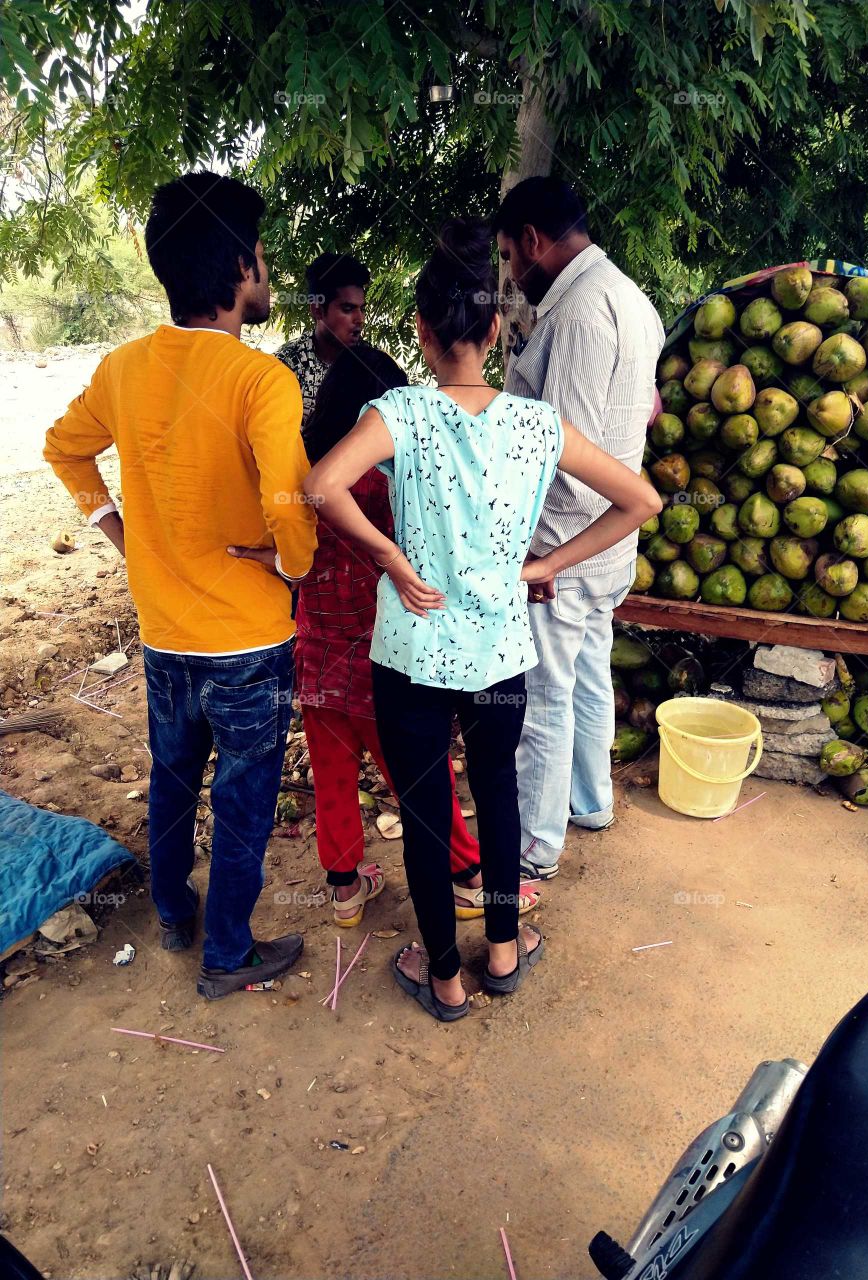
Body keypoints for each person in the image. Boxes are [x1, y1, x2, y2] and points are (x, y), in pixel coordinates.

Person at [304, 220, 661, 1022]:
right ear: (495, 328)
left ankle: (442, 978)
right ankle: (503, 950)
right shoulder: (537, 425)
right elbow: (641, 500)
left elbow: (324, 485)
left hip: (411, 652)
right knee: (496, 795)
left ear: (423, 333)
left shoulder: (398, 414)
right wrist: (544, 567)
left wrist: (392, 560)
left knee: (429, 810)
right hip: (501, 648)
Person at [43, 171, 317, 999]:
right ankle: (227, 954)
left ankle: (173, 911)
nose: (267, 273)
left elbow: (63, 450)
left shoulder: (123, 369)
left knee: (172, 778)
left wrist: (122, 538)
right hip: (248, 644)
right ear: (239, 268)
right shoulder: (261, 380)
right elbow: (288, 504)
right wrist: (292, 565)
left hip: (164, 632)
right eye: (262, 258)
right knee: (241, 803)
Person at [292, 345, 541, 925]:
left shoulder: (299, 471)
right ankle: (469, 875)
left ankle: (345, 888)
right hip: (383, 649)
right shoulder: (386, 478)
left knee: (331, 773)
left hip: (318, 647)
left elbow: (286, 545)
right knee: (422, 782)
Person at [493, 177, 665, 881]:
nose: (509, 272)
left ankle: (536, 846)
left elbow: (563, 452)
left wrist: (538, 555)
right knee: (591, 673)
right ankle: (590, 804)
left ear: (533, 242)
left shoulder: (579, 316)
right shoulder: (632, 299)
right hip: (611, 544)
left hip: (566, 547)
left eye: (509, 256)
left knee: (544, 696)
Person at [276, 253, 369, 427]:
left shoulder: (373, 366)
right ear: (317, 310)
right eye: (348, 309)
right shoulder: (286, 366)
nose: (359, 318)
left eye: (362, 309)